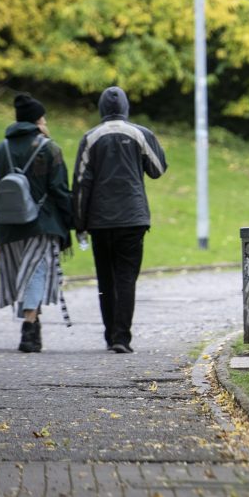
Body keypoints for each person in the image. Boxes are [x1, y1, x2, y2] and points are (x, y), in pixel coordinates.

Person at [73, 87, 167, 353]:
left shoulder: (90, 138)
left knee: (106, 278)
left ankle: (109, 333)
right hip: (132, 218)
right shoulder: (140, 133)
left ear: (101, 109)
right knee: (126, 277)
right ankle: (121, 337)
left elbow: (81, 184)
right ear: (126, 108)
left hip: (100, 221)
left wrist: (79, 223)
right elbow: (158, 169)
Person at [0, 93, 74, 353]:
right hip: (41, 225)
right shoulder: (49, 148)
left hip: (9, 225)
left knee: (23, 273)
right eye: (44, 119)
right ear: (37, 120)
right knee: (36, 273)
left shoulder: (3, 148)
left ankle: (32, 320)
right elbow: (59, 189)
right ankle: (30, 327)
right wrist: (72, 220)